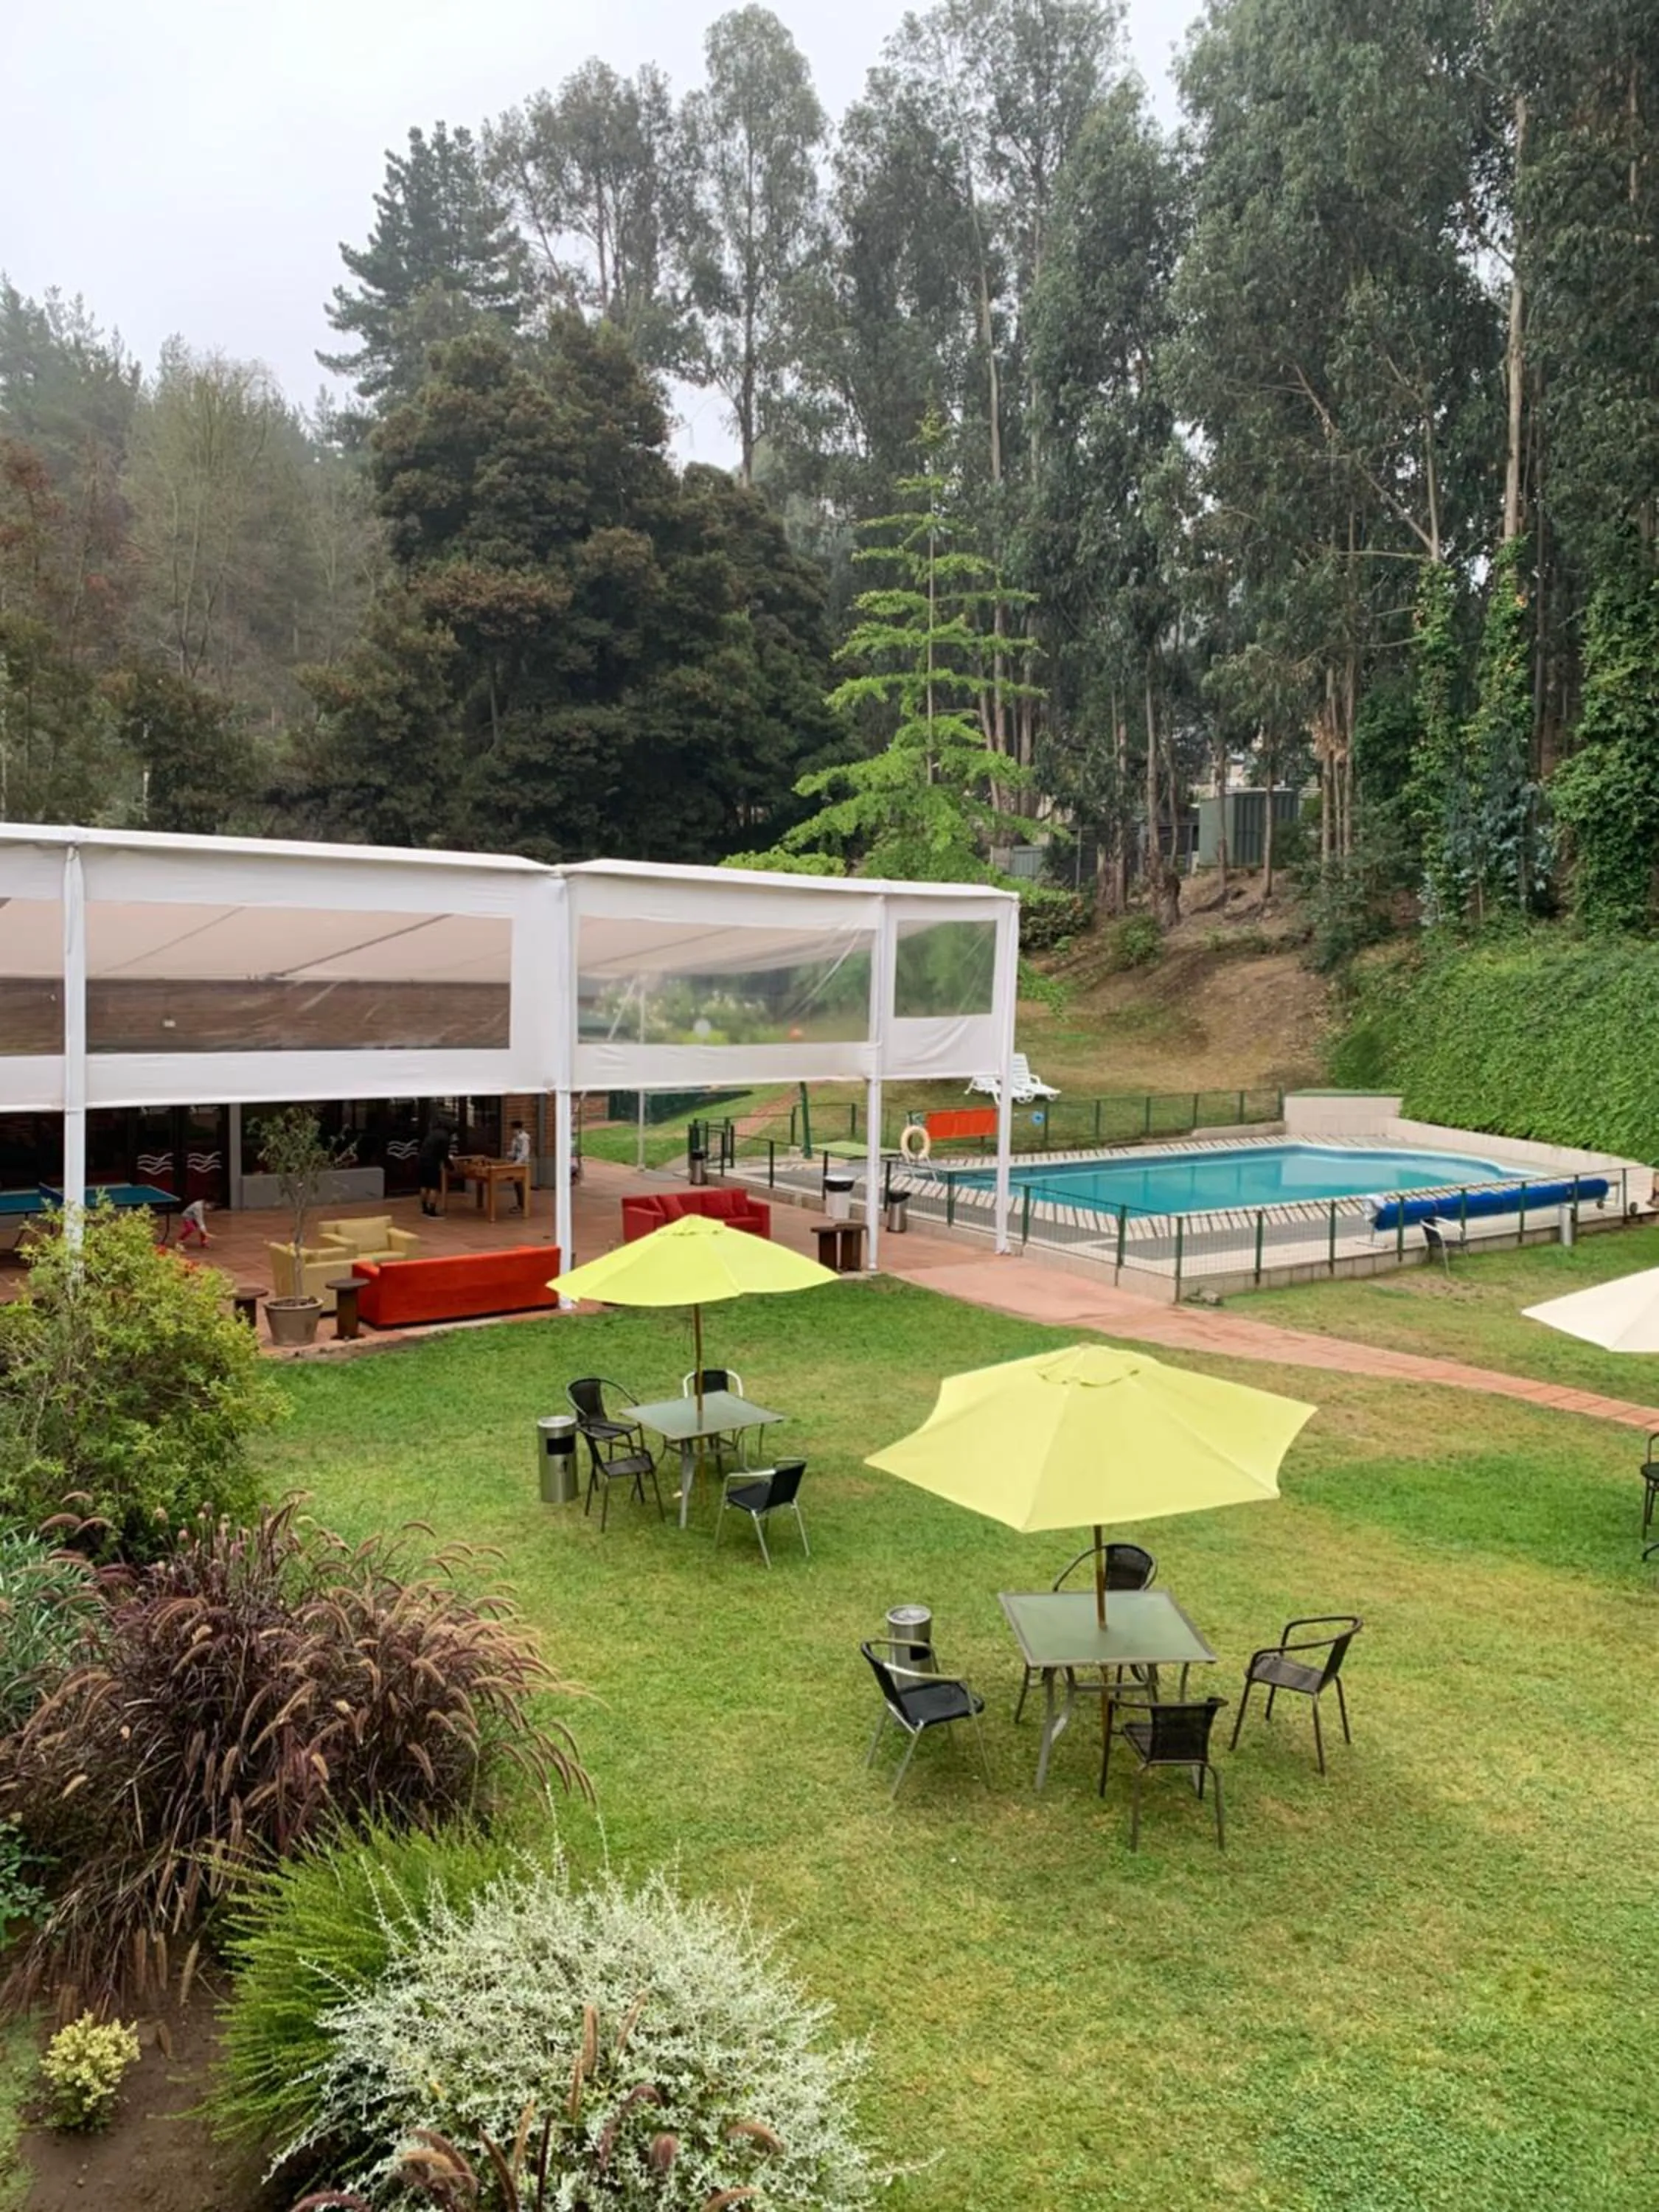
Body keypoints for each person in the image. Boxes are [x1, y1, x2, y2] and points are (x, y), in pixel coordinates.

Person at [417, 1121, 451, 1217]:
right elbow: (444, 1155)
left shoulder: (432, 1133)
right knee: (434, 1187)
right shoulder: (445, 1137)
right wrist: (450, 1166)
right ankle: (432, 1211)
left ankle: (424, 1209)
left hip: (421, 1160)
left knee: (424, 1185)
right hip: (432, 1162)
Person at [507, 1119, 531, 1211]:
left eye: (514, 1129)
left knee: (521, 1184)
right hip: (516, 1163)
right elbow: (515, 1151)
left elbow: (524, 1153)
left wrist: (518, 1162)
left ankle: (523, 1205)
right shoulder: (515, 1139)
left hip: (523, 1164)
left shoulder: (524, 1138)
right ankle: (520, 1204)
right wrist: (510, 1154)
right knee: (517, 1184)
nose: (513, 1131)